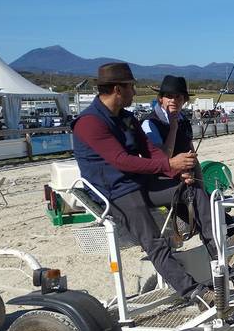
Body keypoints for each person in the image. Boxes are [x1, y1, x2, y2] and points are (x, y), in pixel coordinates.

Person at [72, 63, 218, 308]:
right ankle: (194, 292)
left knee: (192, 190)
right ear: (118, 89)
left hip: (138, 182)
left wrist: (174, 169)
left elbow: (150, 151)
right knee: (154, 241)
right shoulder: (89, 123)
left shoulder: (126, 118)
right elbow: (122, 161)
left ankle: (219, 256)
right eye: (131, 87)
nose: (135, 92)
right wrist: (169, 165)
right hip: (114, 191)